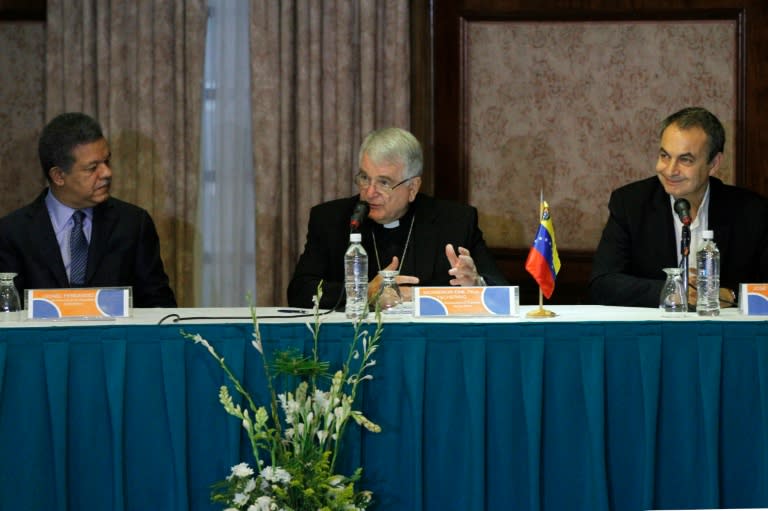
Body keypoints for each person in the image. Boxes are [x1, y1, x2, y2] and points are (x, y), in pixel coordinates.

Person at [287, 127, 508, 309]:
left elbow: (502, 291)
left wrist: (476, 284)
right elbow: (300, 291)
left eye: (384, 182)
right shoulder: (330, 219)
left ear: (413, 187)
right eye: (364, 178)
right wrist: (364, 294)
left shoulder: (455, 221)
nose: (369, 192)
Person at [590, 106, 768, 307]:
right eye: (664, 156)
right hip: (653, 334)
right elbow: (602, 284)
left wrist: (732, 296)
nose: (670, 170)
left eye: (685, 159)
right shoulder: (631, 204)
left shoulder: (752, 212)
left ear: (714, 163)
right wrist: (673, 291)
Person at [0, 112, 176, 307]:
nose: (107, 173)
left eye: (107, 162)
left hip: (116, 338)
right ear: (59, 175)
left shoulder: (133, 224)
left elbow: (160, 306)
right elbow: (7, 312)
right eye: (93, 168)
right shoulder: (13, 233)